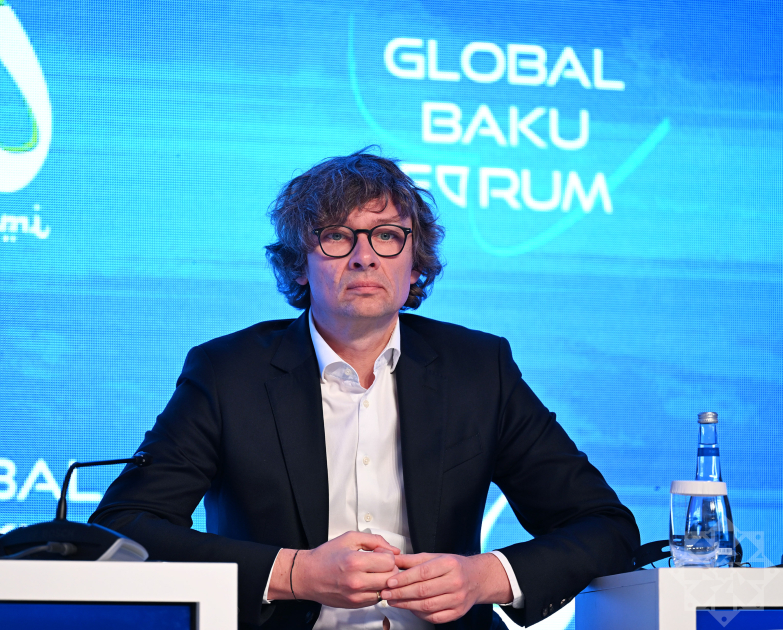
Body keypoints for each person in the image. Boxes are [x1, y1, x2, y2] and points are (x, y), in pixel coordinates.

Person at [90, 149, 639, 630]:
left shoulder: (478, 369)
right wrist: (294, 573)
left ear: (414, 265)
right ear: (299, 265)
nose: (364, 256)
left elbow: (605, 527)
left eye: (388, 236)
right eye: (336, 236)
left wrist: (483, 577)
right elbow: (123, 528)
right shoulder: (227, 373)